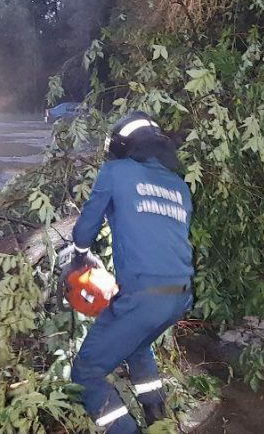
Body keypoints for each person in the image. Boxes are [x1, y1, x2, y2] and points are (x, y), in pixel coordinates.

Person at [65, 112, 195, 433]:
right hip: (179, 295)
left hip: (142, 296)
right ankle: (158, 417)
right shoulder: (179, 186)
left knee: (87, 373)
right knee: (137, 346)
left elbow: (85, 229)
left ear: (122, 146)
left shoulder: (116, 171)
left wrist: (80, 256)